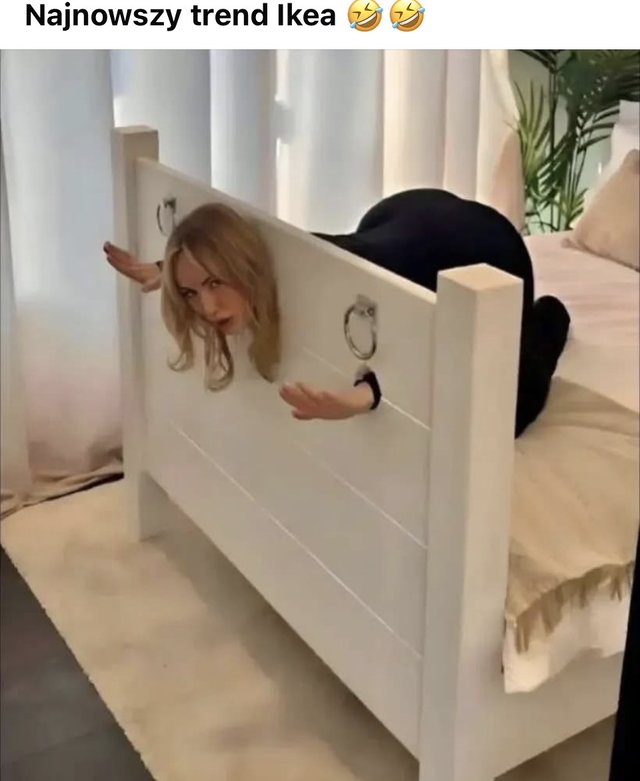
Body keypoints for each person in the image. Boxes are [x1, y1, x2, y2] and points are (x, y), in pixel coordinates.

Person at [103, 188, 570, 436]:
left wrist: (369, 394)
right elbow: (266, 246)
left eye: (214, 284)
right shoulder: (286, 266)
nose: (207, 309)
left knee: (502, 418)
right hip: (401, 213)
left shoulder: (339, 276)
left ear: (241, 268)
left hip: (488, 249)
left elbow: (419, 351)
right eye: (191, 293)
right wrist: (170, 271)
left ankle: (550, 314)